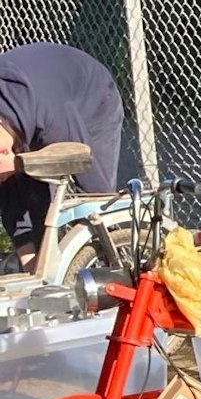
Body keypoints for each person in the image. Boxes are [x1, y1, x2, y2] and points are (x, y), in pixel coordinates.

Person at [0, 42, 125, 276]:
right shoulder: (9, 139)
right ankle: (39, 270)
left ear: (7, 151)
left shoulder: (53, 122)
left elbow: (85, 167)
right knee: (25, 193)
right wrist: (31, 265)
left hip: (92, 102)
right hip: (32, 104)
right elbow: (10, 204)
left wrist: (100, 211)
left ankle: (115, 260)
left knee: (95, 195)